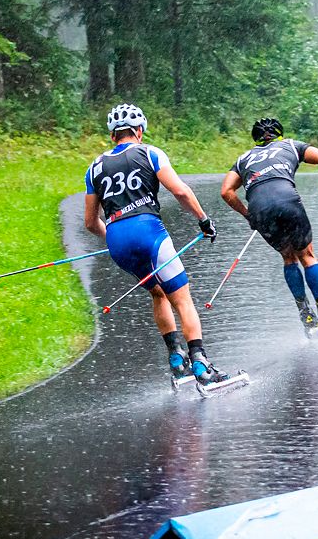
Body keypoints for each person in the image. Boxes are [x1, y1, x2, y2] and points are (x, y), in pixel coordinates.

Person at [84, 103, 233, 388]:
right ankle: (201, 364)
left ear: (113, 134)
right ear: (138, 130)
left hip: (117, 237)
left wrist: (114, 242)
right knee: (181, 297)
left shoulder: (94, 167)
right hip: (148, 232)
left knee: (158, 293)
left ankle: (177, 361)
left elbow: (91, 223)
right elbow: (179, 190)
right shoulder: (149, 152)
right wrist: (204, 219)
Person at [220, 117, 318, 337]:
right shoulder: (290, 145)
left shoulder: (243, 159)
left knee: (289, 258)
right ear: (279, 133)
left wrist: (248, 215)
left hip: (259, 208)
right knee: (307, 256)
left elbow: (226, 192)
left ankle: (306, 315)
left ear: (256, 139)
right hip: (288, 200)